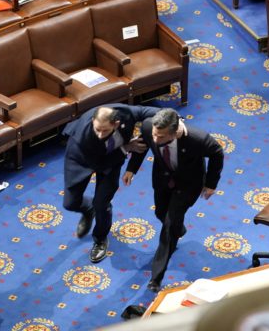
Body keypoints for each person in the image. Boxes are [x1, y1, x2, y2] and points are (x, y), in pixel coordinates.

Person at [123, 108, 224, 292]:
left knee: (169, 226)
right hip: (162, 179)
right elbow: (143, 145)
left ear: (175, 133)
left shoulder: (197, 139)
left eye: (161, 137)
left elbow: (217, 153)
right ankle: (179, 228)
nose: (156, 139)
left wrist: (211, 183)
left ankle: (156, 277)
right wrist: (132, 168)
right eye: (155, 134)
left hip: (188, 184)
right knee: (160, 212)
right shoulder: (149, 127)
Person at [63, 104, 159, 263]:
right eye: (97, 129)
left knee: (102, 203)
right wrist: (126, 148)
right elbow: (99, 163)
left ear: (116, 123)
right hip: (81, 160)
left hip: (112, 162)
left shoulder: (126, 114)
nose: (100, 134)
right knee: (70, 203)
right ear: (93, 121)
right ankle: (88, 209)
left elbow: (147, 112)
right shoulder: (84, 136)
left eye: (105, 130)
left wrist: (174, 120)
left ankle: (100, 239)